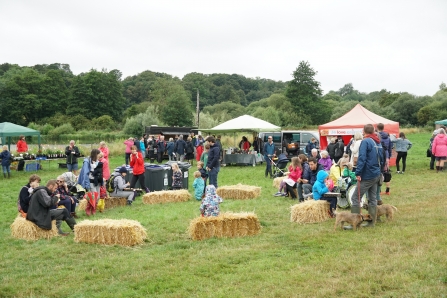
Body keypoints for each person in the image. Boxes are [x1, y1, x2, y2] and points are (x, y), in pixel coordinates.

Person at [346, 124, 384, 229]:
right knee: (372, 199)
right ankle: (371, 223)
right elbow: (382, 157)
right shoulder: (377, 141)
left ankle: (355, 223)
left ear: (364, 131)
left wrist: (358, 173)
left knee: (355, 197)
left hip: (368, 174)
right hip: (376, 173)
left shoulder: (365, 141)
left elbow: (362, 158)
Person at [377, 123, 392, 195]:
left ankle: (379, 190)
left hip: (379, 155)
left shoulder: (376, 136)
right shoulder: (388, 137)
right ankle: (387, 190)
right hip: (386, 155)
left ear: (377, 128)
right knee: (387, 172)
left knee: (379, 173)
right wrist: (389, 156)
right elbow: (390, 148)